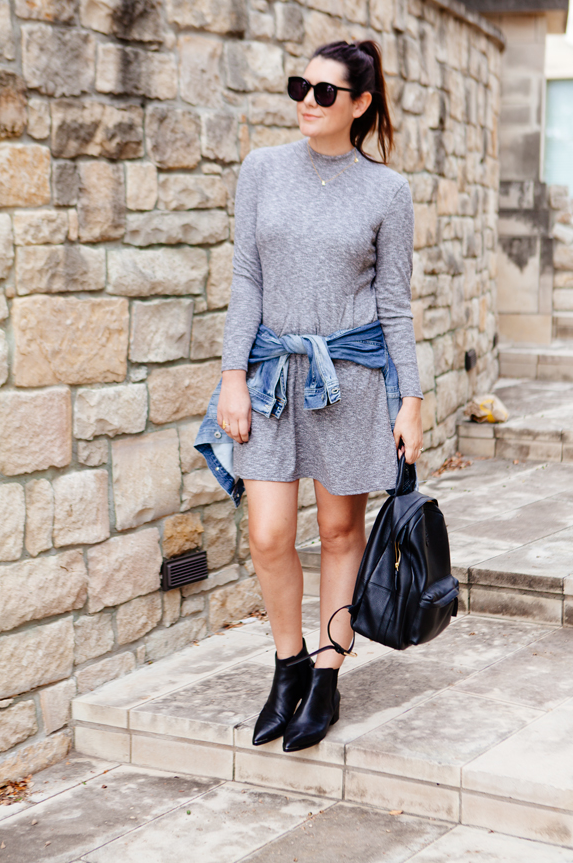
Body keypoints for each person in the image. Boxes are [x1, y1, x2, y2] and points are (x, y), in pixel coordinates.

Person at [214, 40, 423, 751]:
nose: (307, 99)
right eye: (301, 85)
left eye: (325, 91)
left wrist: (411, 399)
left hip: (352, 381)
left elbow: (395, 304)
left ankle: (328, 674)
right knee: (269, 532)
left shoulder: (387, 192)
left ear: (359, 105)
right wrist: (231, 375)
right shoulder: (262, 169)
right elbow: (246, 278)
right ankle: (287, 664)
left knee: (339, 532)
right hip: (272, 377)